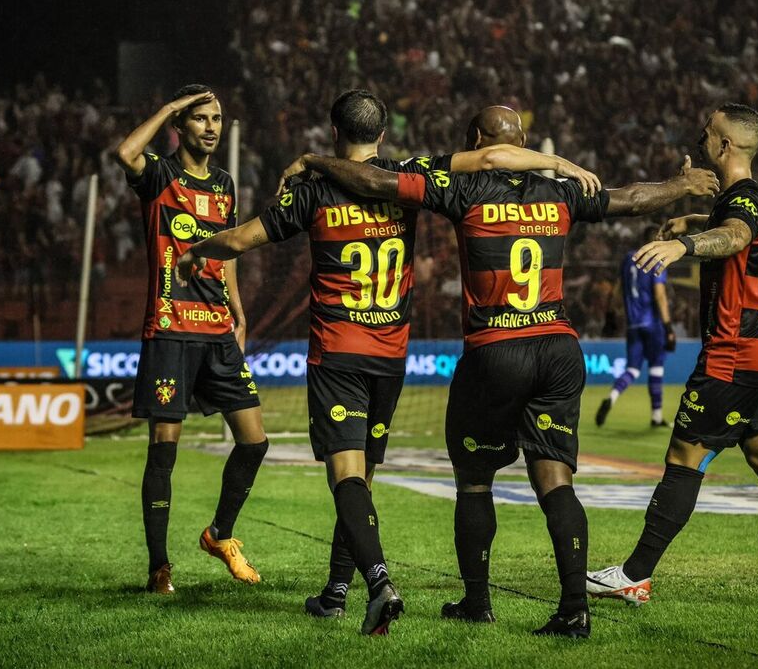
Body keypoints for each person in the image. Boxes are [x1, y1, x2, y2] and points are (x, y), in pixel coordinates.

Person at [278, 105, 719, 638]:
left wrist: (315, 161)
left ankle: (477, 601)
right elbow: (630, 199)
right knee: (555, 480)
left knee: (474, 482)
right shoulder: (562, 189)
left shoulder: (462, 189)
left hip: (495, 350)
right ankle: (574, 609)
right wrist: (683, 183)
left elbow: (374, 179)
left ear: (478, 141)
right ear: (524, 142)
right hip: (558, 347)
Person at [175, 89, 599, 635]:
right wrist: (556, 162)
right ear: (381, 135)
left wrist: (197, 251)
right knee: (363, 476)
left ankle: (378, 583)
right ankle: (334, 592)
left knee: (346, 476)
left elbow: (244, 238)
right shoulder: (412, 177)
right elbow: (494, 156)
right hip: (390, 356)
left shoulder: (315, 190)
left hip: (338, 353)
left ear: (333, 133)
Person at [586, 104, 758, 611]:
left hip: (735, 355)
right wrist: (695, 215)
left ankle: (634, 575)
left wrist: (684, 244)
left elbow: (735, 236)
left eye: (708, 132)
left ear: (725, 145)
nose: (702, 137)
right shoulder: (745, 199)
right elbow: (736, 226)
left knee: (684, 459)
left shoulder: (745, 200)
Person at [115, 85, 269, 594]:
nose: (211, 127)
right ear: (182, 124)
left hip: (217, 331)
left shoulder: (224, 184)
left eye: (217, 118)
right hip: (170, 330)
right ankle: (160, 566)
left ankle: (219, 535)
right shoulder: (159, 173)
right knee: (164, 450)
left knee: (254, 439)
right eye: (200, 118)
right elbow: (124, 154)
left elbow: (225, 254)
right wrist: (163, 107)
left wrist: (240, 312)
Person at [596, 225, 677, 428]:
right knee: (656, 368)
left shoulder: (629, 259)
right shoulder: (656, 259)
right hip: (653, 323)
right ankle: (656, 416)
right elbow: (659, 294)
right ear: (656, 239)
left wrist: (610, 315)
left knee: (632, 368)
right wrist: (668, 327)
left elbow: (617, 289)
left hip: (633, 324)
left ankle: (612, 397)